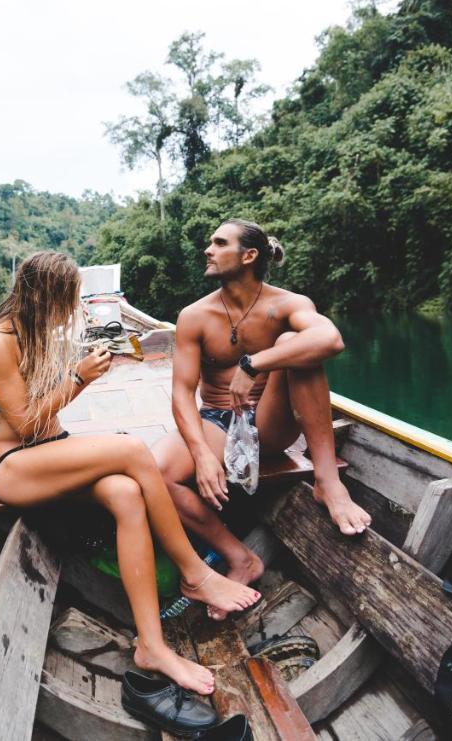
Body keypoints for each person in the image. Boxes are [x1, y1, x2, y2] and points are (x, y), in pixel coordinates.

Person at [0, 251, 261, 696]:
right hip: (14, 467)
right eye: (70, 298)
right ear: (44, 295)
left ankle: (152, 645)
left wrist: (83, 366)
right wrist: (80, 377)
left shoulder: (37, 334)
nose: (75, 307)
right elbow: (25, 423)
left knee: (127, 492)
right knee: (130, 449)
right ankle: (193, 572)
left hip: (52, 452)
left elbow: (46, 414)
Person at [153, 220, 371, 614]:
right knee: (154, 471)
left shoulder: (286, 304)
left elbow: (330, 340)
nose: (208, 249)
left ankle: (328, 481)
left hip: (270, 423)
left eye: (219, 243)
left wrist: (254, 364)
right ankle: (240, 558)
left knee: (297, 343)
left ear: (249, 255)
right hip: (218, 420)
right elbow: (182, 392)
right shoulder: (195, 316)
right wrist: (201, 454)